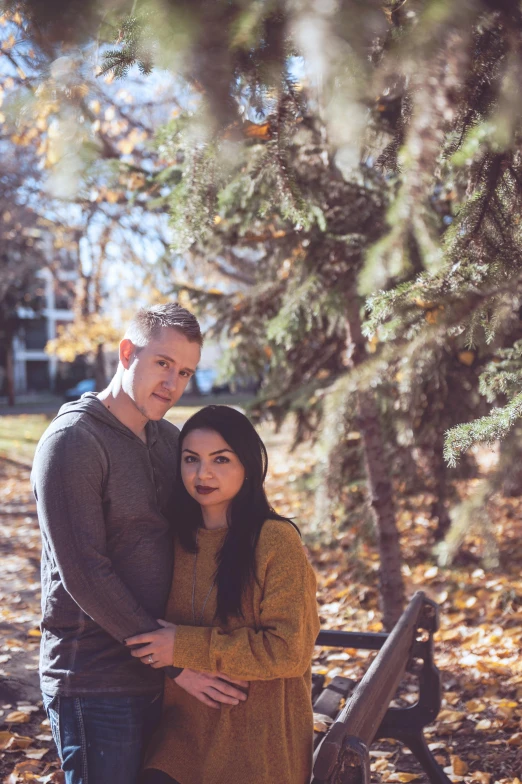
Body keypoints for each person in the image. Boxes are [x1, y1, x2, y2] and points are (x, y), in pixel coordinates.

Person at [31, 305, 248, 784]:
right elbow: (85, 571)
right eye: (163, 364)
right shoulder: (73, 443)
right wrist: (176, 663)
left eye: (185, 371)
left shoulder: (168, 440)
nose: (173, 383)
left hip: (165, 673)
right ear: (127, 353)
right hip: (94, 680)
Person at [126, 405, 320, 784]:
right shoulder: (176, 541)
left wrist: (182, 647)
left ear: (248, 465)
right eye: (190, 459)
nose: (203, 474)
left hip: (255, 744)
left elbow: (288, 652)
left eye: (221, 459)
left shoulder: (276, 542)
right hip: (182, 737)